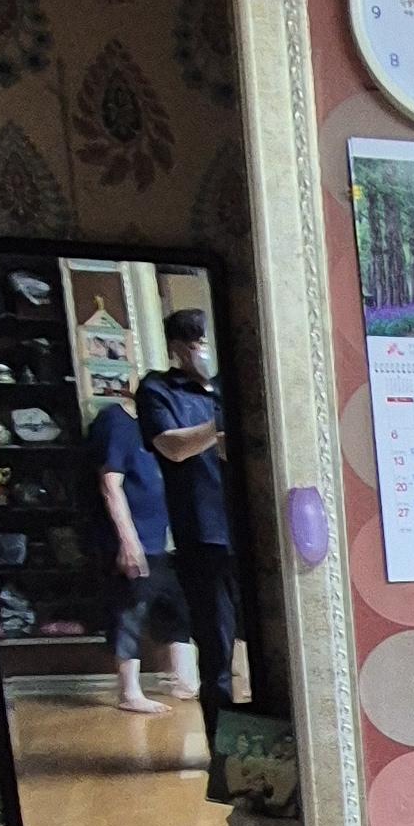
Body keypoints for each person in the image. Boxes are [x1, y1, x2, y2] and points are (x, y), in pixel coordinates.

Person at [137, 309, 242, 740]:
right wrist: (220, 426)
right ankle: (223, 755)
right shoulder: (157, 389)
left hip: (252, 534)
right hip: (203, 538)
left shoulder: (232, 386)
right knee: (217, 655)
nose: (204, 350)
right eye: (197, 342)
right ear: (179, 348)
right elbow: (172, 447)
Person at [87, 389, 192, 717]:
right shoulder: (116, 422)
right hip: (133, 538)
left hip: (160, 539)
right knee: (130, 609)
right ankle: (129, 692)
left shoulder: (154, 429)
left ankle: (182, 680)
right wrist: (128, 542)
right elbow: (110, 484)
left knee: (175, 607)